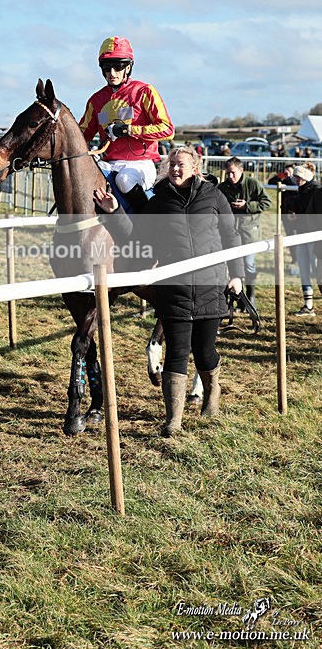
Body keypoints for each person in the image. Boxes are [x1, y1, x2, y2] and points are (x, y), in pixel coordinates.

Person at [93, 145, 244, 437]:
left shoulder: (214, 196)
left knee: (204, 352)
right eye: (172, 164)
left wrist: (236, 275)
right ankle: (173, 419)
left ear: (195, 168)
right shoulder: (160, 200)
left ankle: (211, 393)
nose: (175, 169)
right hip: (173, 287)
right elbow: (137, 236)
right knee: (176, 352)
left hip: (210, 285)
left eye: (181, 165)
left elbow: (230, 234)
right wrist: (115, 212)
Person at [79, 36, 174, 210]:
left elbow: (167, 130)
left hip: (140, 164)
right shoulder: (95, 100)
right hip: (109, 164)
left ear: (128, 67)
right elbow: (80, 135)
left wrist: (129, 130)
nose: (112, 73)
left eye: (118, 67)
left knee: (124, 180)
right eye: (107, 68)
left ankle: (147, 223)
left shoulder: (144, 91)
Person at [217, 157, 271, 308]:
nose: (230, 176)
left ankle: (250, 295)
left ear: (241, 171)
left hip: (249, 231)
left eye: (233, 173)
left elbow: (267, 202)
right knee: (229, 266)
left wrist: (247, 205)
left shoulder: (252, 184)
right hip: (229, 232)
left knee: (248, 264)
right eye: (227, 173)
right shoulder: (222, 188)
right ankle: (234, 297)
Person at [287, 164, 321, 315]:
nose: (296, 179)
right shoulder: (301, 191)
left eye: (298, 177)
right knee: (304, 270)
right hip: (302, 233)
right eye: (295, 177)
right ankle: (308, 305)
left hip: (313, 236)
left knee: (317, 271)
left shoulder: (316, 191)